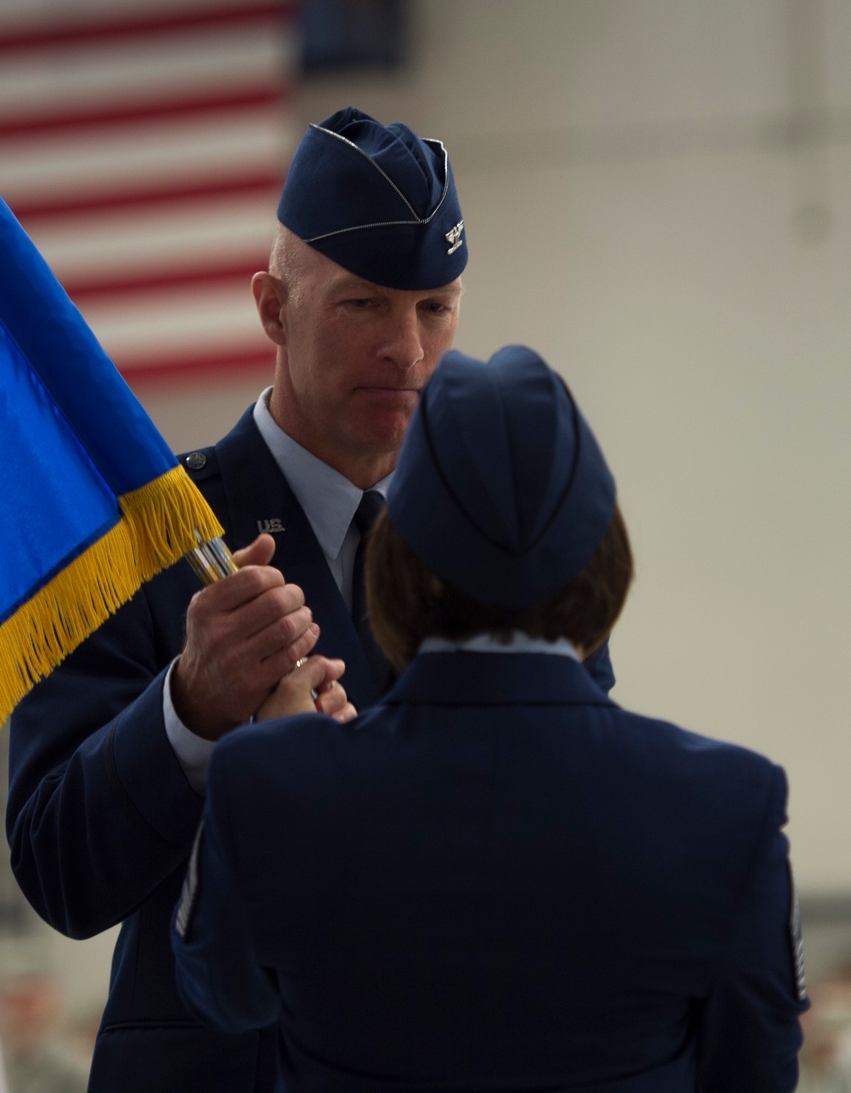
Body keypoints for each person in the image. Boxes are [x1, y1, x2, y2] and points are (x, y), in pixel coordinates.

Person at [9, 108, 622, 1093]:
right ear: (270, 305)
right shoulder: (144, 536)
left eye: (435, 307)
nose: (406, 348)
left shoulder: (511, 529)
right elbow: (56, 872)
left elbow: (594, 813)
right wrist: (189, 709)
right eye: (362, 305)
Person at [172, 344, 809, 1092]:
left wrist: (286, 749)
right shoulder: (729, 806)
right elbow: (756, 1074)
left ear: (396, 561)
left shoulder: (271, 782)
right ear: (604, 555)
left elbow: (223, 995)